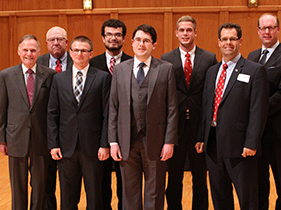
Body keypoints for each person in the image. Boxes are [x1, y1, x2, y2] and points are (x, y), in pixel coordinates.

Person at [195, 23, 269, 210]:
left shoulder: (254, 70)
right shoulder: (212, 71)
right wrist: (201, 137)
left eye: (232, 39)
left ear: (240, 41)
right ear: (218, 42)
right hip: (213, 145)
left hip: (241, 147)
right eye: (224, 39)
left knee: (248, 200)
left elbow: (258, 110)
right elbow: (206, 107)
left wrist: (251, 142)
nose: (228, 43)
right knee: (220, 197)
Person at [108, 24, 178, 210]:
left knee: (154, 192)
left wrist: (169, 141)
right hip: (126, 141)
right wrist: (113, 141)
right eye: (138, 40)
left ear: (153, 45)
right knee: (129, 193)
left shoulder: (165, 69)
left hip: (156, 140)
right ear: (131, 43)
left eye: (146, 41)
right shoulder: (120, 69)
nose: (141, 44)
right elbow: (113, 108)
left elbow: (172, 108)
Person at [47, 35, 111, 210]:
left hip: (93, 148)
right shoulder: (58, 79)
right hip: (66, 148)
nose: (80, 54)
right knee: (68, 198)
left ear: (91, 54)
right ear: (70, 52)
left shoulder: (103, 78)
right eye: (76, 50)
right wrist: (53, 144)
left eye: (84, 50)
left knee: (95, 197)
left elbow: (108, 114)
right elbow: (52, 113)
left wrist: (105, 144)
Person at [161, 15, 217, 210]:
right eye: (182, 30)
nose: (185, 33)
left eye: (189, 30)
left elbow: (211, 93)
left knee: (200, 176)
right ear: (176, 33)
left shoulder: (209, 58)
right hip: (175, 127)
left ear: (195, 32)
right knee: (174, 177)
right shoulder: (166, 59)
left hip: (199, 126)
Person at [247, 13, 281, 210]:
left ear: (278, 29)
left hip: (279, 131)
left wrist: (255, 113)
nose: (267, 32)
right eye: (263, 28)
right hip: (256, 133)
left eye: (271, 28)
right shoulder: (252, 56)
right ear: (258, 31)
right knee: (259, 180)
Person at [0, 34, 56, 210]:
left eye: (32, 50)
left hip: (41, 138)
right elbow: (1, 108)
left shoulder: (50, 75)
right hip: (15, 137)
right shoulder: (6, 75)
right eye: (25, 50)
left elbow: (53, 109)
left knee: (39, 185)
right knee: (18, 186)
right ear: (18, 52)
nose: (29, 53)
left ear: (39, 52)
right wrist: (1, 139)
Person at [89, 19, 132, 210]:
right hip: (99, 131)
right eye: (109, 35)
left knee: (126, 181)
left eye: (117, 35)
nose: (113, 38)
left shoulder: (133, 62)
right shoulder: (92, 64)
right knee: (101, 181)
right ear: (103, 38)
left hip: (128, 129)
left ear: (123, 38)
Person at [37, 26, 74, 210]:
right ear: (46, 43)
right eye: (52, 39)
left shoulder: (78, 60)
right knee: (46, 178)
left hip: (71, 130)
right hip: (45, 130)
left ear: (67, 42)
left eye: (60, 39)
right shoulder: (38, 62)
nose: (56, 43)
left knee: (69, 179)